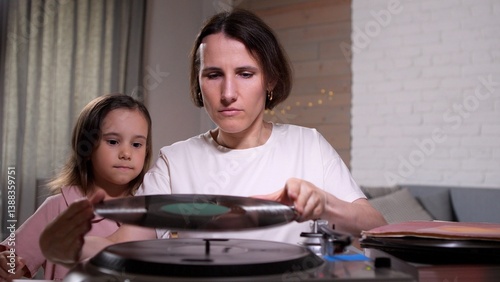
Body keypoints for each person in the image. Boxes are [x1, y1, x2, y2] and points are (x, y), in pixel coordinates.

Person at [40, 9, 387, 268]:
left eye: (246, 74)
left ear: (270, 81)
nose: (228, 93)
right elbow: (121, 244)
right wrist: (68, 247)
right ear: (199, 81)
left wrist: (325, 203)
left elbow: (377, 227)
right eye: (214, 75)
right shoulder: (175, 161)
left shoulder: (308, 145)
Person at [0, 94, 152, 281]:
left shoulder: (149, 210)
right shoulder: (59, 207)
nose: (126, 153)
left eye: (137, 144)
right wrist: (7, 265)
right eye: (113, 141)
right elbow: (12, 263)